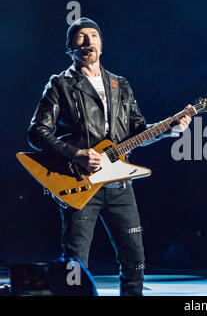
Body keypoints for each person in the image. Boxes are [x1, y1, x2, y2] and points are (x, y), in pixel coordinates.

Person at [27, 18, 191, 295]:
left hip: (119, 186)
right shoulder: (60, 84)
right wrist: (76, 154)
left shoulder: (120, 84)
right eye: (81, 37)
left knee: (135, 260)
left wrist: (169, 129)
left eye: (94, 36)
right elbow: (37, 131)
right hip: (79, 183)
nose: (89, 41)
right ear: (70, 47)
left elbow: (138, 130)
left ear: (102, 45)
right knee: (75, 262)